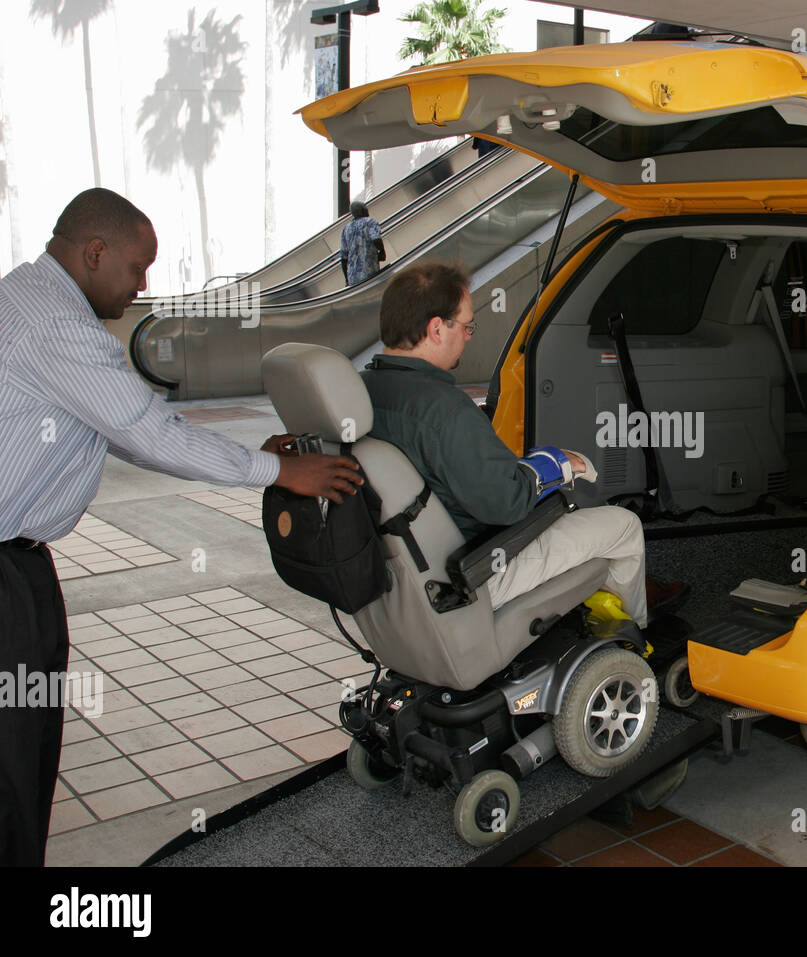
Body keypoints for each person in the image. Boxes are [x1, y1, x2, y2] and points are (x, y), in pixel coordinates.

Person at [0, 187, 364, 866]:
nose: (144, 283)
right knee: (12, 767)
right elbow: (147, 431)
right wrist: (278, 474)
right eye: (137, 269)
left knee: (26, 753)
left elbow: (131, 429)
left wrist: (259, 456)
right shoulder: (57, 325)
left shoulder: (28, 296)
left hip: (22, 564)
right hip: (4, 576)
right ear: (95, 252)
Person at [359, 261, 684, 627]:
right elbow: (506, 503)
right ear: (437, 329)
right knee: (622, 526)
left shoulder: (362, 391)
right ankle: (633, 639)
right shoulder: (443, 408)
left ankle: (617, 595)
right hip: (476, 567)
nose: (469, 335)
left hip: (410, 569)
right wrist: (556, 463)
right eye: (466, 326)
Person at [339, 200, 386, 286]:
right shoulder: (370, 222)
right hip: (370, 272)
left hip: (353, 278)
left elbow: (343, 257)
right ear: (362, 210)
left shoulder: (345, 229)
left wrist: (347, 280)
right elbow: (376, 238)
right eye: (365, 207)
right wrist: (382, 251)